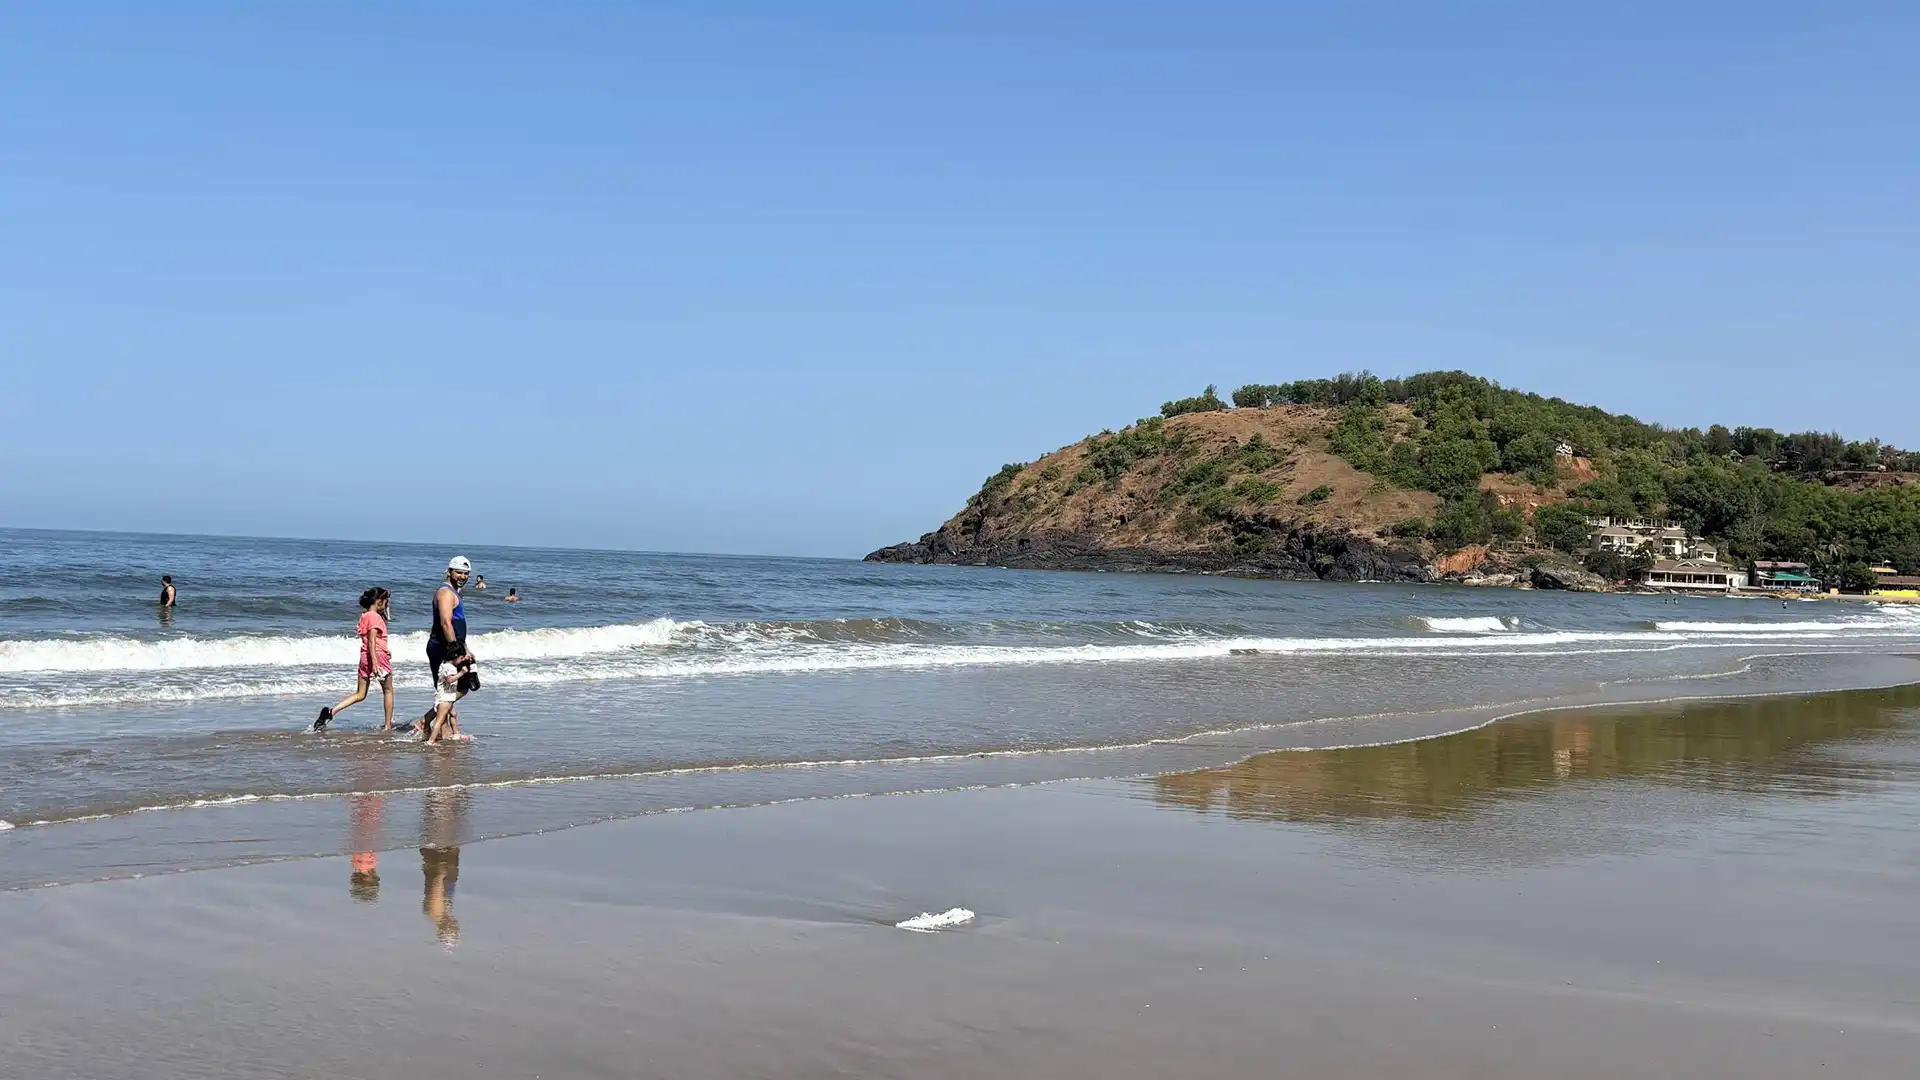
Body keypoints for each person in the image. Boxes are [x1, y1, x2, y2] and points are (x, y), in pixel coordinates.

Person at [315, 588, 394, 731]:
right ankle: (388, 726)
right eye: (385, 601)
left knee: (360, 694)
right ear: (378, 601)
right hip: (378, 657)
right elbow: (372, 641)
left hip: (364, 657)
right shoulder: (375, 617)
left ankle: (331, 712)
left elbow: (375, 633)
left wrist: (385, 607)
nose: (386, 604)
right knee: (388, 690)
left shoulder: (365, 616)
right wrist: (375, 663)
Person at [416, 556, 473, 731]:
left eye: (466, 573)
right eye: (459, 572)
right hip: (442, 648)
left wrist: (466, 648)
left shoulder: (454, 592)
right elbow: (446, 623)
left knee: (459, 686)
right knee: (455, 687)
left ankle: (439, 726)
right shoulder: (446, 592)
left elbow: (456, 625)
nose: (462, 576)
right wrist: (456, 650)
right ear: (449, 572)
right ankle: (427, 721)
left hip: (452, 646)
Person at [424, 639, 475, 745]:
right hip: (444, 699)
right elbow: (449, 680)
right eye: (461, 658)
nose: (462, 660)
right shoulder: (450, 668)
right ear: (455, 656)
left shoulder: (445, 663)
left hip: (448, 696)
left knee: (453, 714)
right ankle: (431, 741)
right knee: (439, 720)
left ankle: (456, 734)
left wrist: (465, 658)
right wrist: (461, 673)